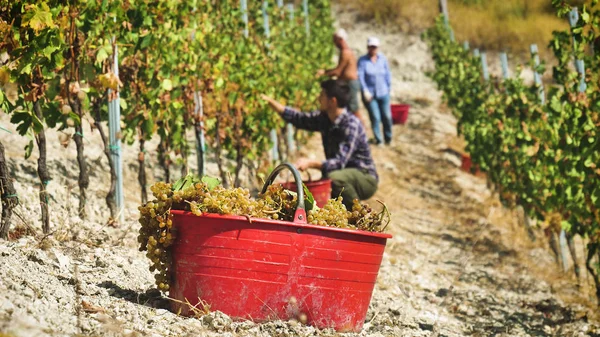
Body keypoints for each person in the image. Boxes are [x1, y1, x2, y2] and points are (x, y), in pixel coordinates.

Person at [260, 80, 378, 210]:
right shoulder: (325, 119)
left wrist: (311, 163)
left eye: (322, 95)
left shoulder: (351, 124)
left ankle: (357, 215)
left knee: (334, 179)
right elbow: (299, 119)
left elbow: (340, 162)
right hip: (342, 175)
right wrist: (272, 103)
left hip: (364, 177)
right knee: (328, 184)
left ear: (332, 101)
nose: (318, 99)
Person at [316, 29, 366, 126]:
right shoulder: (346, 52)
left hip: (351, 83)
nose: (334, 43)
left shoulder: (345, 53)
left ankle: (361, 130)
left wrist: (324, 72)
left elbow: (338, 72)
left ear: (340, 39)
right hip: (349, 82)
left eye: (335, 40)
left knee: (353, 108)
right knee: (349, 108)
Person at [358, 37, 393, 146]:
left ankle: (388, 138)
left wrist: (389, 88)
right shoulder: (362, 61)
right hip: (370, 95)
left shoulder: (382, 59)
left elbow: (387, 74)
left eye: (375, 47)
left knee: (387, 116)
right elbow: (361, 77)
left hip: (383, 92)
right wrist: (364, 90)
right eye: (371, 47)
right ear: (368, 47)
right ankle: (379, 139)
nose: (373, 49)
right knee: (375, 117)